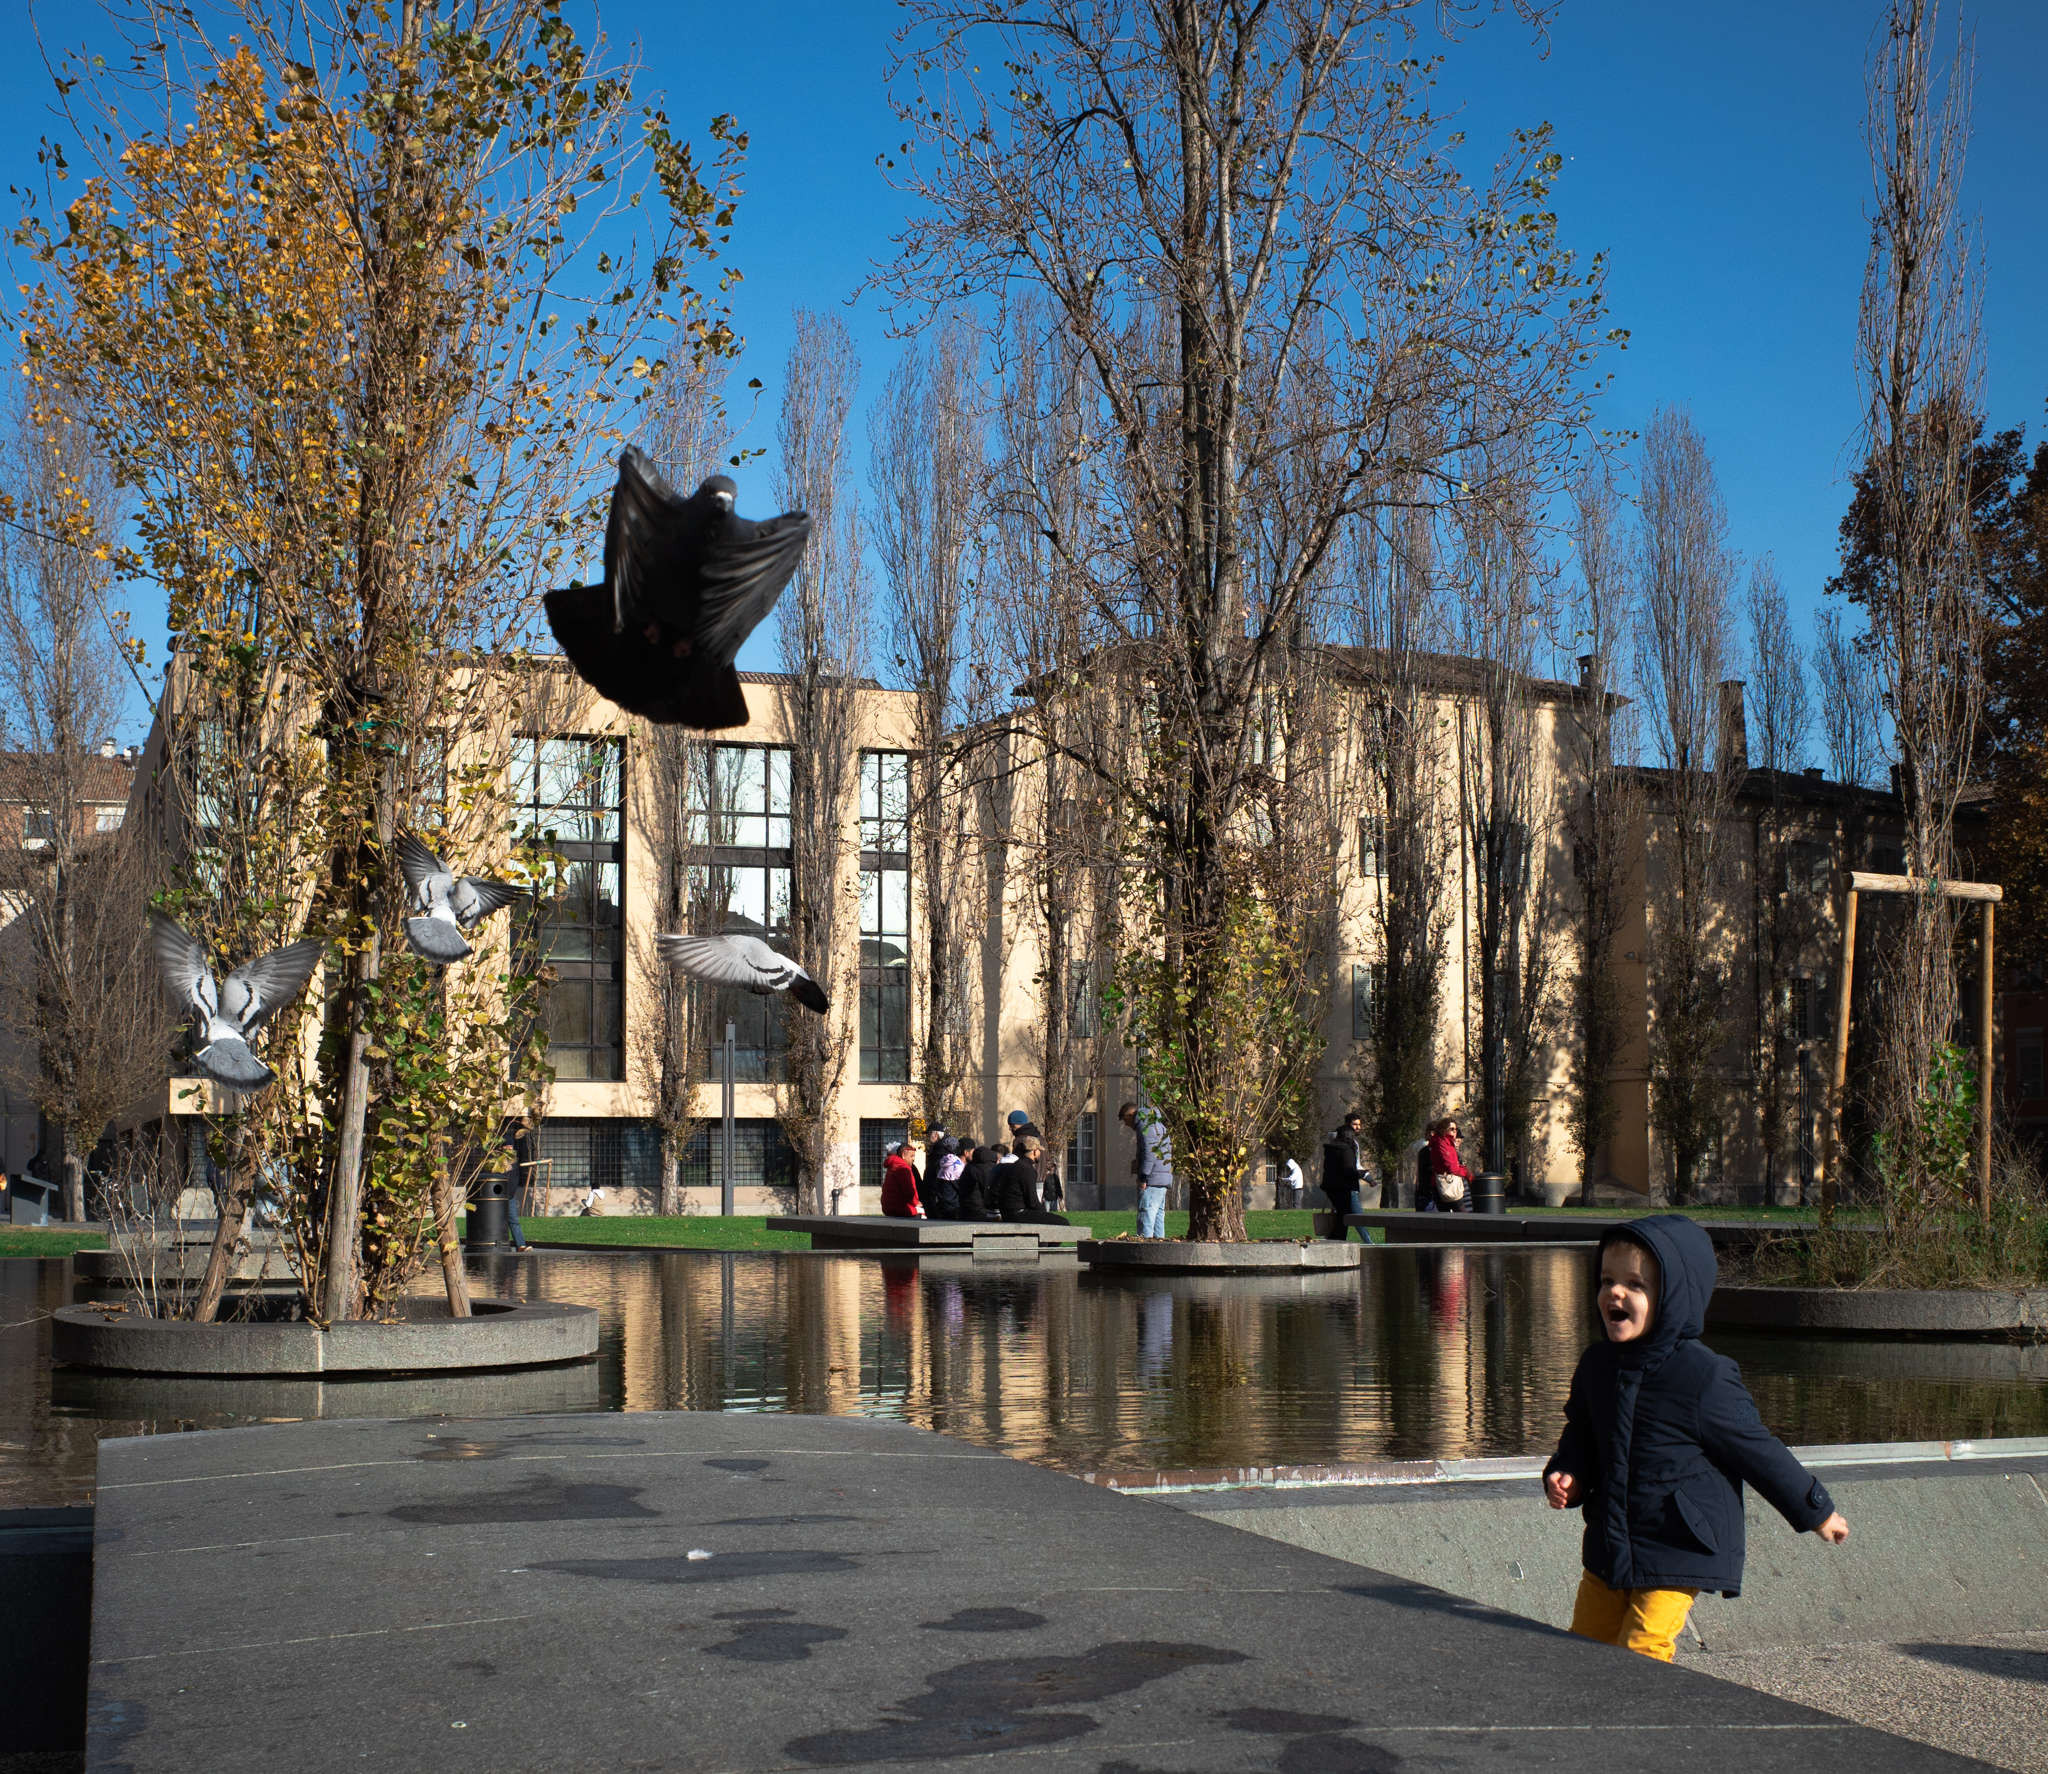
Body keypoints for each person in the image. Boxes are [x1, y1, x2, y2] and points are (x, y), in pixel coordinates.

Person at [1543, 1216, 1850, 1662]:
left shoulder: (1702, 1374)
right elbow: (1582, 1435)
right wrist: (1566, 1473)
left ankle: (1648, 1725)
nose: (1615, 1293)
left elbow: (1757, 1450)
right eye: (1607, 1280)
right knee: (1586, 1645)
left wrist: (1816, 1510)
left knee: (1643, 1647)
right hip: (1611, 1541)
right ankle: (1593, 1721)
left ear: (1673, 1298)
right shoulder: (1596, 1365)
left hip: (1678, 1541)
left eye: (1636, 1284)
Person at [1121, 1101, 1172, 1238]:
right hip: (1161, 1179)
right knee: (1158, 1220)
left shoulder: (1145, 1124)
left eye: (1126, 1120)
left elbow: (1150, 1153)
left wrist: (1143, 1177)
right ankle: (1159, 1252)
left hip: (1152, 1179)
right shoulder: (1156, 1123)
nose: (1127, 1124)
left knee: (1146, 1217)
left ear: (1132, 1114)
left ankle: (1144, 1252)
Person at [1319, 1110, 1370, 1239]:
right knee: (1350, 1215)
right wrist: (1363, 1175)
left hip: (1331, 1186)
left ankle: (1331, 1239)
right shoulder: (1348, 1148)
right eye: (1354, 1124)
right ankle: (1362, 1241)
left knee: (1341, 1214)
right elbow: (1349, 1169)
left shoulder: (1331, 1147)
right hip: (1344, 1187)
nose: (1357, 1128)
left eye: (1359, 1124)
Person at [1418, 1116, 1474, 1213]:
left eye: (1456, 1129)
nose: (1454, 1131)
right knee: (1462, 1214)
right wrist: (1466, 1173)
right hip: (1446, 1183)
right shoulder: (1441, 1144)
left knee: (1444, 1214)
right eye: (1452, 1129)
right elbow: (1451, 1166)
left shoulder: (1447, 1142)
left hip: (1441, 1183)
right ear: (1444, 1129)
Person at [505, 1122, 535, 1252]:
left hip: (509, 1197)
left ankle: (520, 1245)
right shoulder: (495, 1160)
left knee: (514, 1221)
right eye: (507, 1147)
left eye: (511, 1147)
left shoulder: (514, 1161)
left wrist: (512, 1190)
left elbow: (515, 1176)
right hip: (497, 1197)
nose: (509, 1149)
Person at [880, 1142, 924, 1219]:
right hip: (902, 1209)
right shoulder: (903, 1168)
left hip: (890, 1208)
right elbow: (909, 1191)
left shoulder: (893, 1166)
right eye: (912, 1156)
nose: (913, 1159)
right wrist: (916, 1202)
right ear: (903, 1155)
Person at [955, 1144, 998, 1220]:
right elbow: (992, 1191)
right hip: (978, 1211)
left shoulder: (970, 1166)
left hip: (966, 1210)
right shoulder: (985, 1170)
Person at [928, 1138, 965, 1220]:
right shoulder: (956, 1167)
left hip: (941, 1205)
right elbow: (963, 1189)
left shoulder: (942, 1163)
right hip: (952, 1207)